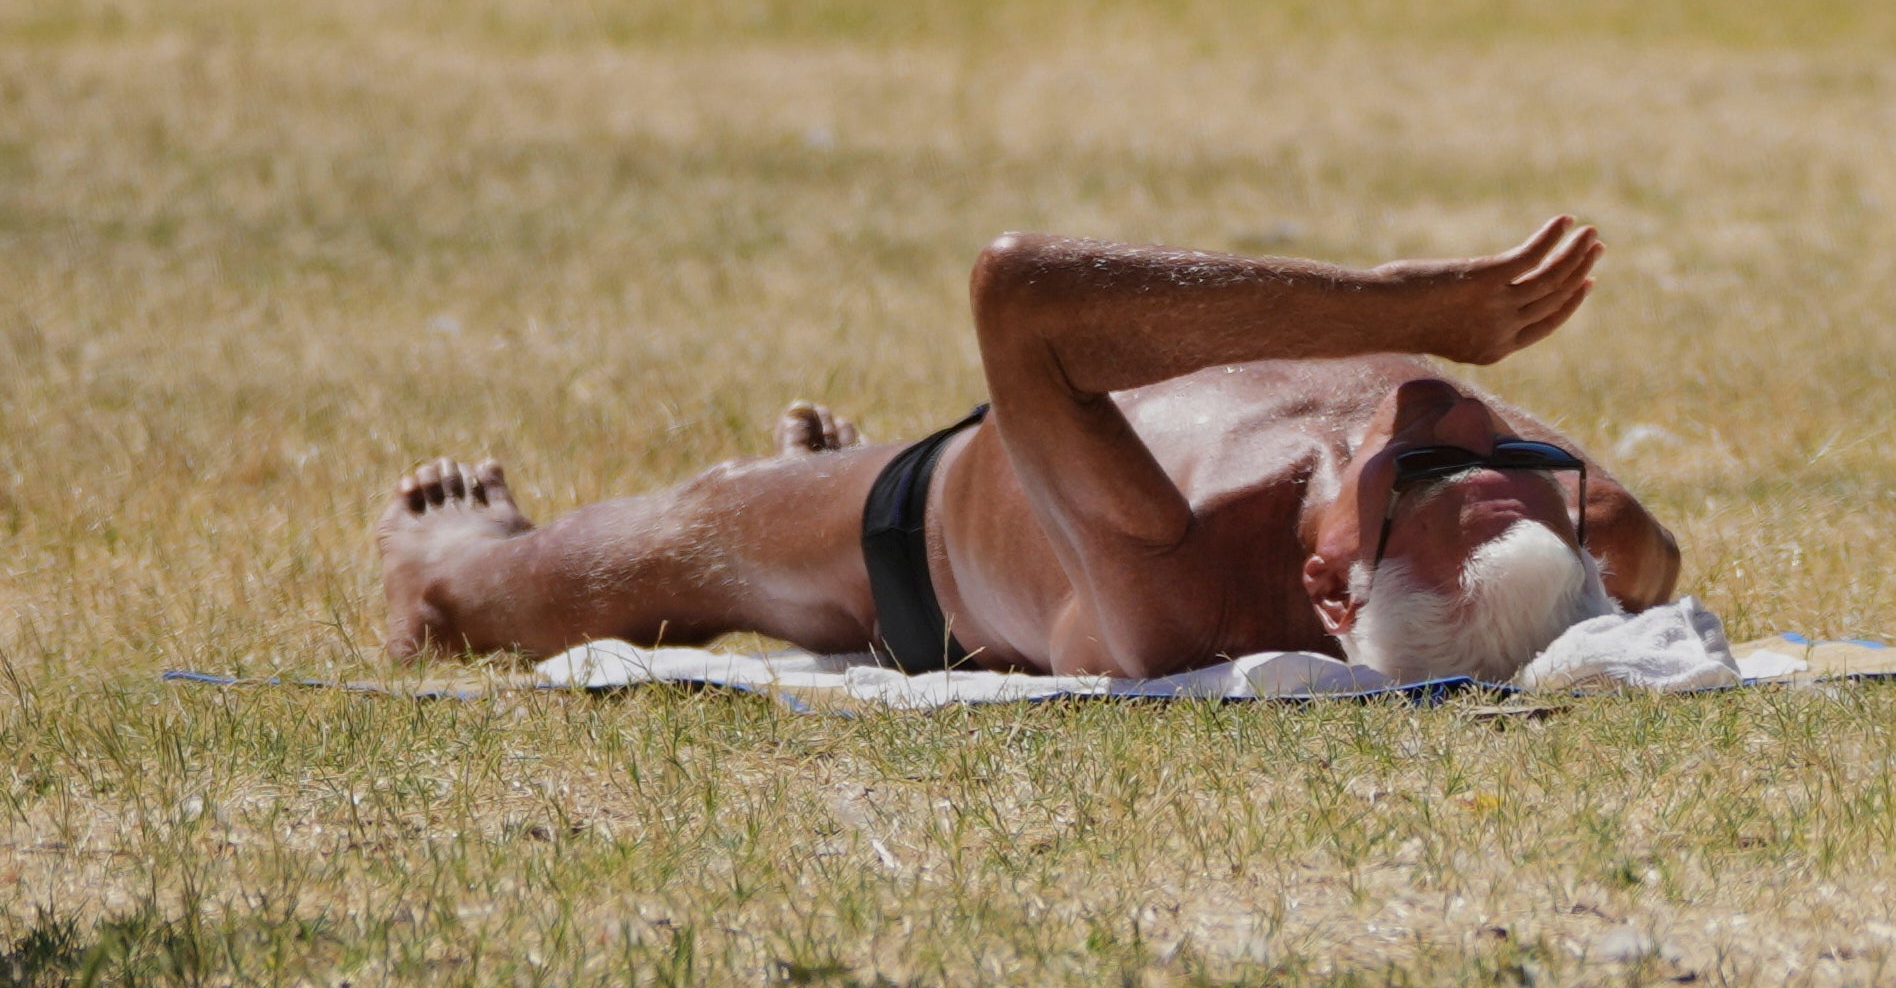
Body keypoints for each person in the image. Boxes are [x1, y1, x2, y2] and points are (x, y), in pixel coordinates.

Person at [377, 217, 1680, 681]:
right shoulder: (1555, 530)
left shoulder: (1179, 560)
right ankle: (848, 460)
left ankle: (439, 574)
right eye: (1515, 476)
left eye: (1427, 482)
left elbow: (1023, 296)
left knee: (618, 559)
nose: (1460, 421)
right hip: (1051, 445)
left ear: (1335, 587)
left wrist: (1415, 313)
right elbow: (1643, 555)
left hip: (910, 539)